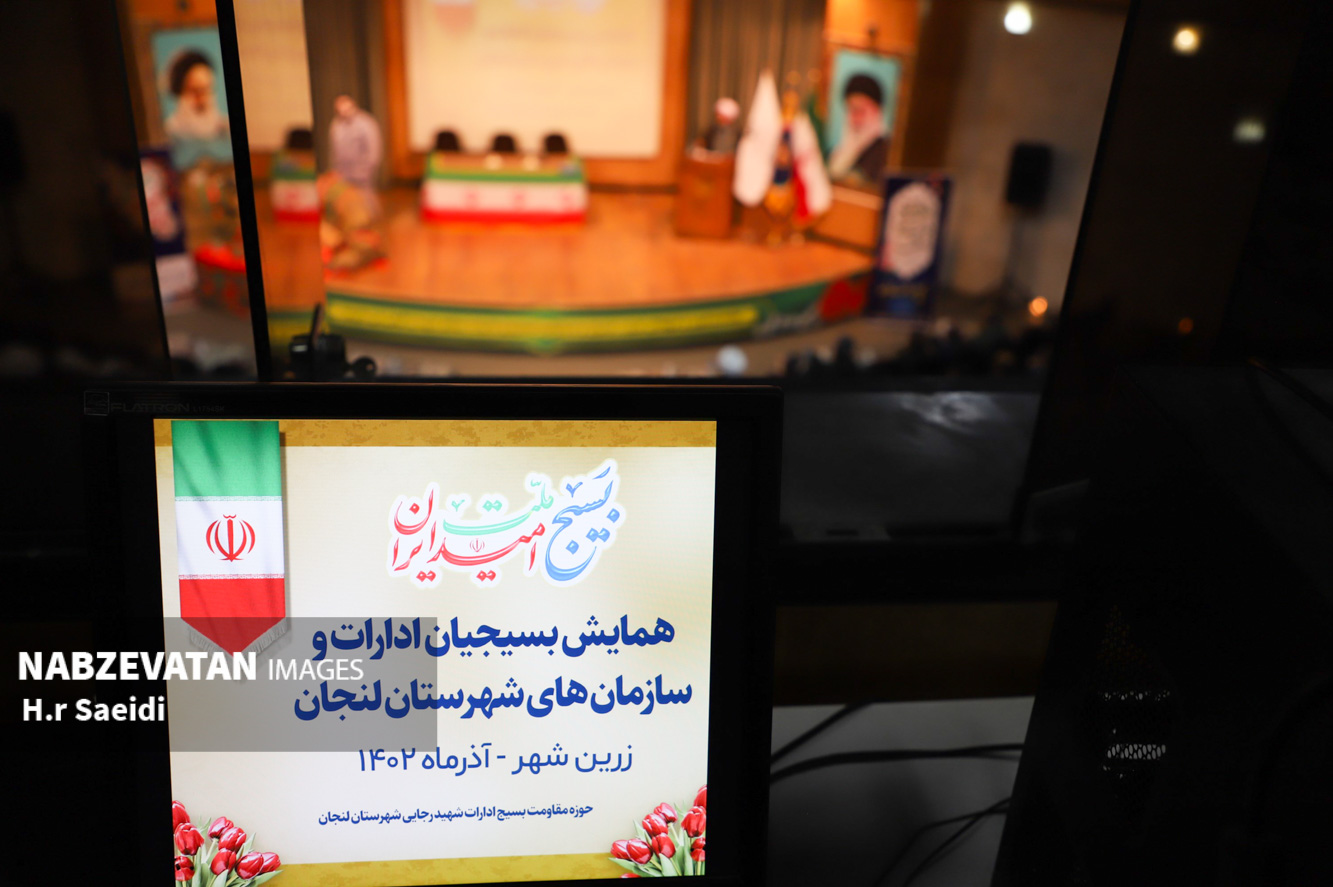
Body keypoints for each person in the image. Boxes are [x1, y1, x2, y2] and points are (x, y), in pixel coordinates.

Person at [827, 73, 889, 185]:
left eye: (861, 110)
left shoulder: (885, 154)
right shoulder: (836, 153)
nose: (856, 118)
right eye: (851, 109)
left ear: (876, 112)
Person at [164, 50, 229, 142]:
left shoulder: (226, 129)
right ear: (179, 93)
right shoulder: (168, 133)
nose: (203, 99)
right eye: (195, 91)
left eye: (207, 89)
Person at [329, 95, 383, 194]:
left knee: (365, 198)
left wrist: (367, 169)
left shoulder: (366, 123)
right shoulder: (336, 125)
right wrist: (336, 169)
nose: (344, 113)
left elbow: (373, 148)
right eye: (341, 111)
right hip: (343, 173)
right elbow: (334, 150)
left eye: (347, 109)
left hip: (362, 172)